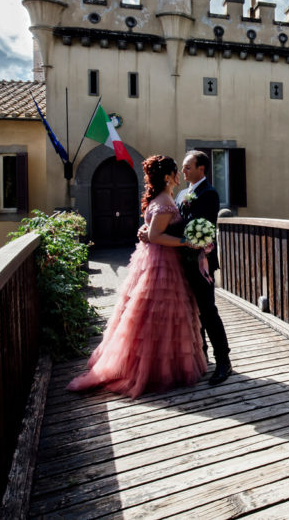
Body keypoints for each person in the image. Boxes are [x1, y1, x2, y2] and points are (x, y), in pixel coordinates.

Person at [67, 155, 206, 398]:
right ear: (167, 177)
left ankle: (153, 364)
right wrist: (187, 241)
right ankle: (155, 369)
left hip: (155, 259)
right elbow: (156, 236)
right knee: (161, 314)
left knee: (150, 314)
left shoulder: (162, 199)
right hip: (163, 263)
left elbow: (151, 230)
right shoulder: (164, 200)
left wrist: (148, 230)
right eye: (176, 171)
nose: (178, 174)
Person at [142, 150, 232, 385]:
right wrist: (151, 232)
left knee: (208, 310)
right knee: (193, 313)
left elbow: (198, 226)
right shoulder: (183, 193)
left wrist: (156, 234)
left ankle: (223, 361)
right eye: (182, 167)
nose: (183, 171)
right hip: (181, 261)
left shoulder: (209, 194)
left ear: (201, 169)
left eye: (188, 167)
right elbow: (174, 222)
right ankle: (201, 358)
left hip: (200, 262)